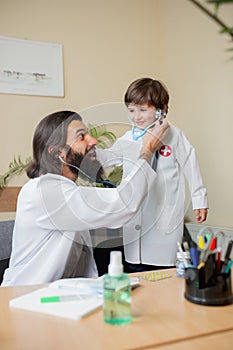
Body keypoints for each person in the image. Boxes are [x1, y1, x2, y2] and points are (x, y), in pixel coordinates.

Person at [1, 110, 169, 286]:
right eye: (81, 136)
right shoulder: (45, 192)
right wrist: (147, 150)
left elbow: (97, 158)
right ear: (58, 153)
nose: (94, 141)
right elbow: (122, 204)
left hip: (60, 294)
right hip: (25, 297)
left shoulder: (67, 190)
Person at [97, 78, 208, 272]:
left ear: (162, 110)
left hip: (164, 213)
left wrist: (200, 200)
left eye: (143, 110)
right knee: (135, 266)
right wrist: (88, 153)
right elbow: (108, 159)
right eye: (131, 110)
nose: (136, 117)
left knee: (164, 267)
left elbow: (191, 166)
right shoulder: (129, 138)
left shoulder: (175, 136)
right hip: (136, 215)